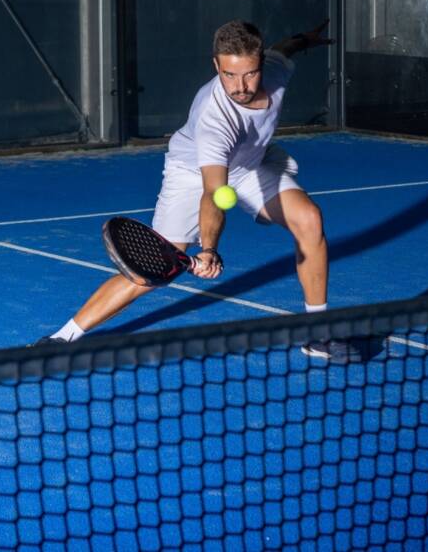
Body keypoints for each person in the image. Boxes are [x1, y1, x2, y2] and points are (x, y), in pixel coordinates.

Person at [37, 19, 350, 361]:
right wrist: (209, 248)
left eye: (249, 74)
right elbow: (215, 193)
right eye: (229, 75)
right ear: (216, 65)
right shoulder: (214, 118)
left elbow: (282, 49)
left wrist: (304, 39)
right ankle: (63, 337)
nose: (240, 85)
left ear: (260, 63)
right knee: (151, 271)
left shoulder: (273, 69)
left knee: (308, 219)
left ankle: (319, 332)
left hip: (249, 166)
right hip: (192, 175)